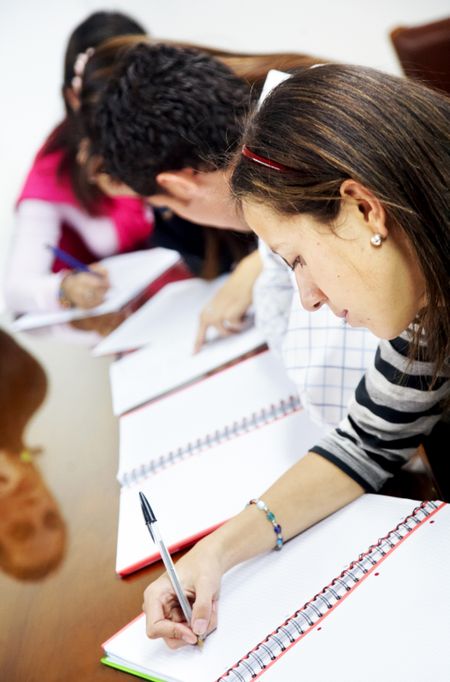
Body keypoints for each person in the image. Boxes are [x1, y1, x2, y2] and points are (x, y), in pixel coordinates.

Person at [141, 64, 450, 647]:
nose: (306, 298)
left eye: (299, 260)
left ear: (362, 209)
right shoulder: (427, 311)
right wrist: (214, 554)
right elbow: (365, 444)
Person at [86, 40, 378, 425]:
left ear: (179, 186)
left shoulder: (297, 184)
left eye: (166, 206)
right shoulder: (297, 101)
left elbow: (341, 409)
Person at [4, 11, 153, 315]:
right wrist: (65, 288)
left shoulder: (170, 121)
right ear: (74, 95)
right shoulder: (54, 172)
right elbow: (17, 290)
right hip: (130, 317)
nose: (126, 106)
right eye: (110, 90)